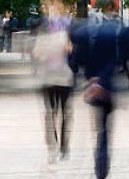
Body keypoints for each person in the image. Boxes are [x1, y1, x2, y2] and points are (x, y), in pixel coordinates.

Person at [73, 0, 119, 179]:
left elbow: (79, 58)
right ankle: (102, 164)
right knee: (105, 127)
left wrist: (91, 79)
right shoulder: (114, 29)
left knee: (99, 126)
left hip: (92, 84)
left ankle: (100, 162)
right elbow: (116, 59)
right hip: (107, 85)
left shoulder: (84, 30)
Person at [32, 15, 74, 164]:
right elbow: (37, 54)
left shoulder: (65, 35)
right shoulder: (43, 38)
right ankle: (54, 147)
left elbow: (71, 50)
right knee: (51, 114)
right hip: (49, 79)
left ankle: (63, 146)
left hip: (63, 78)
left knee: (63, 114)